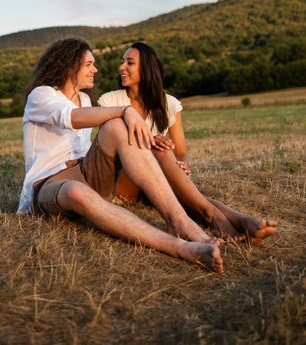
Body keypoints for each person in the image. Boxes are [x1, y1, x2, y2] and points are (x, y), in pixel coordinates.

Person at [18, 37, 224, 273]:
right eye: (89, 64)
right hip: (50, 182)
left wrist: (144, 137)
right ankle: (178, 247)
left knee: (116, 127)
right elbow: (71, 118)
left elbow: (100, 132)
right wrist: (126, 110)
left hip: (86, 172)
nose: (95, 70)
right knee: (77, 189)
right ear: (69, 65)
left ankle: (179, 221)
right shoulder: (41, 95)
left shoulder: (85, 99)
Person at [98, 42, 277, 244]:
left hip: (156, 179)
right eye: (123, 62)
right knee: (159, 148)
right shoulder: (110, 101)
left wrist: (182, 166)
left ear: (147, 69)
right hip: (123, 182)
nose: (121, 67)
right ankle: (213, 216)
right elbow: (110, 152)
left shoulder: (170, 104)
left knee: (185, 192)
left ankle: (245, 222)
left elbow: (181, 152)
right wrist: (148, 140)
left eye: (129, 63)